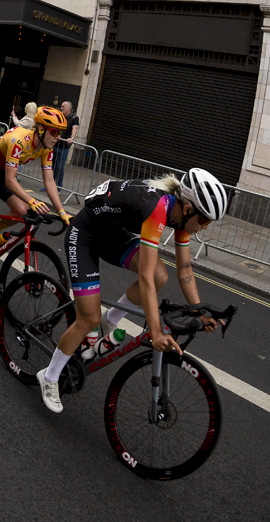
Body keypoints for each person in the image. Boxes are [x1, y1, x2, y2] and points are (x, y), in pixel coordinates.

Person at [36, 168, 229, 414]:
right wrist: (156, 331)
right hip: (85, 233)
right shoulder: (157, 209)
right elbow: (144, 279)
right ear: (189, 209)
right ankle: (50, 377)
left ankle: (109, 321)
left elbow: (184, 269)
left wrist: (199, 311)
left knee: (161, 274)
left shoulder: (181, 218)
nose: (205, 227)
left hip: (111, 233)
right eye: (205, 221)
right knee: (88, 318)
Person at [0, 106, 72, 257]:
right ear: (42, 130)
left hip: (2, 173)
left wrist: (61, 211)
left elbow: (49, 181)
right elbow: (10, 180)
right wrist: (33, 201)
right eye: (55, 132)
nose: (58, 137)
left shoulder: (46, 149)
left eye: (60, 133)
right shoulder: (19, 141)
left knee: (21, 211)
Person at [51, 100, 80, 189]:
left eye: (63, 107)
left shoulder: (74, 118)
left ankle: (59, 187)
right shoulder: (60, 116)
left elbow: (75, 128)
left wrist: (72, 138)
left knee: (60, 167)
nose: (61, 108)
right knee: (52, 166)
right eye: (61, 106)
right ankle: (51, 185)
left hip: (64, 147)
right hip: (55, 144)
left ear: (69, 108)